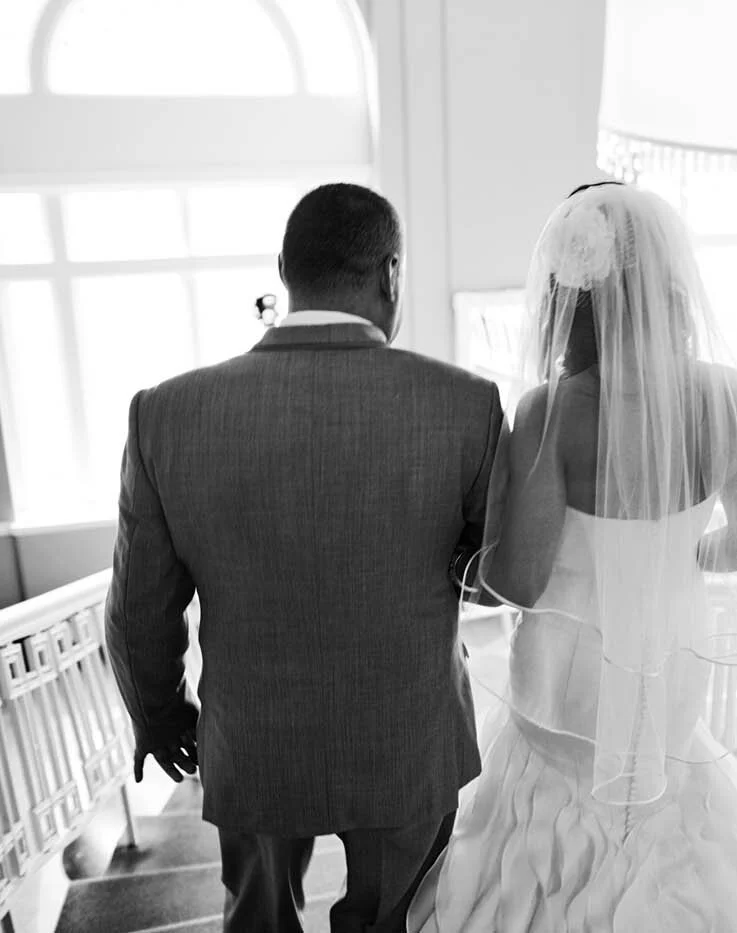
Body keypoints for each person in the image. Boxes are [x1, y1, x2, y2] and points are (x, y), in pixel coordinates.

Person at [408, 182, 737, 932]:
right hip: (669, 656)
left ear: (573, 291)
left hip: (569, 672)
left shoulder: (556, 407)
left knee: (545, 813)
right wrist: (670, 560)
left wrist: (455, 555)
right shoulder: (731, 399)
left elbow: (517, 576)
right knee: (670, 805)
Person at [105, 183, 504, 933]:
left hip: (251, 742)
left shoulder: (165, 413)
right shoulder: (466, 404)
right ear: (391, 274)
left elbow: (136, 613)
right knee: (397, 922)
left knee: (257, 923)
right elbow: (490, 573)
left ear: (285, 268)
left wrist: (158, 715)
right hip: (407, 741)